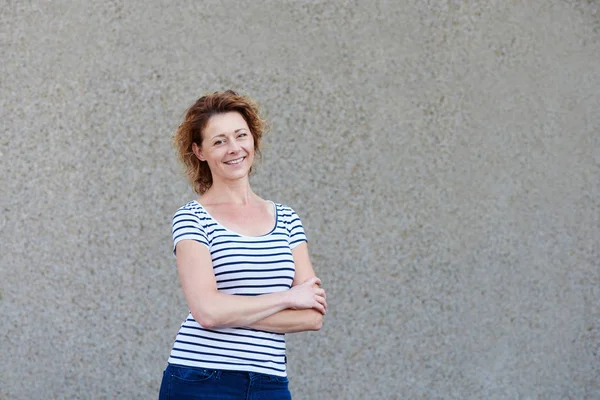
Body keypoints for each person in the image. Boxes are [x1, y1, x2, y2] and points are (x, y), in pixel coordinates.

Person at [159, 90, 327, 400]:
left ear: (253, 140)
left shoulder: (287, 219)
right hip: (201, 378)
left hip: (269, 382)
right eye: (219, 141)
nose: (234, 148)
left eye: (241, 136)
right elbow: (207, 313)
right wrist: (287, 297)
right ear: (199, 151)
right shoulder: (191, 219)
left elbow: (312, 316)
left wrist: (230, 311)